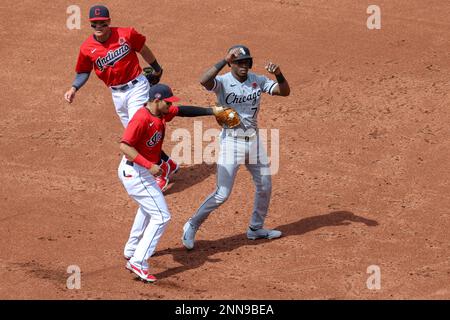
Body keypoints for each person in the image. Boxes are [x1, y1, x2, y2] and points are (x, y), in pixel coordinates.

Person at [182, 45, 291, 250]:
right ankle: (192, 224)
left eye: (246, 62)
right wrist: (223, 60)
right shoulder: (222, 82)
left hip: (254, 140)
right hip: (231, 142)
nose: (243, 65)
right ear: (231, 63)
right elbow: (204, 80)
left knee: (265, 186)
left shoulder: (257, 80)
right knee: (222, 194)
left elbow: (284, 92)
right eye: (239, 61)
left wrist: (279, 75)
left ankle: (256, 228)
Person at [63, 4, 177, 191]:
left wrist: (157, 68)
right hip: (116, 94)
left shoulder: (126, 34)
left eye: (102, 23)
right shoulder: (86, 48)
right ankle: (169, 164)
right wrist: (73, 88)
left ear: (109, 21)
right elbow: (83, 72)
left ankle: (162, 171)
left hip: (137, 87)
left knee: (139, 133)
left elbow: (143, 49)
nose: (98, 27)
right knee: (136, 137)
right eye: (94, 24)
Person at [119, 83, 224, 282]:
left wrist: (212, 111)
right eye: (168, 102)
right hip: (136, 172)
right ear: (157, 100)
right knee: (161, 217)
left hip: (140, 172)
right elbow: (125, 146)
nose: (171, 106)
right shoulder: (141, 118)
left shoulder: (160, 112)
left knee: (147, 208)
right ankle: (138, 261)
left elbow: (183, 111)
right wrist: (149, 166)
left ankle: (132, 248)